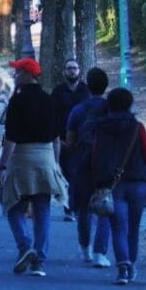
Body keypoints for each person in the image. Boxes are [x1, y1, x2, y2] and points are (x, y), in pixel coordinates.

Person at [0, 58, 68, 277]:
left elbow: (11, 138)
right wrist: (56, 164)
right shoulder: (49, 99)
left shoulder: (18, 101)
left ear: (27, 74)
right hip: (45, 158)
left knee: (14, 206)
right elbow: (56, 138)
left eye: (17, 72)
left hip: (22, 158)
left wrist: (2, 166)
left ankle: (26, 246)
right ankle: (39, 260)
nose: (15, 76)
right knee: (42, 208)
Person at [92, 87, 146, 285]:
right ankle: (132, 264)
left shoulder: (101, 127)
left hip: (112, 184)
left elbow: (96, 155)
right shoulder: (137, 127)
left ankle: (123, 267)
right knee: (133, 227)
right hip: (137, 181)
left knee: (118, 226)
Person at [65, 67, 112, 268]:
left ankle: (85, 247)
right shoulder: (111, 109)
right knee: (104, 207)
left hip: (82, 162)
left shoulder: (78, 110)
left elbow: (70, 139)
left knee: (84, 208)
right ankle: (101, 251)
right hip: (106, 163)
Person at [51, 59, 89, 221]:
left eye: (74, 68)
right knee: (66, 174)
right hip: (62, 141)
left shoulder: (86, 91)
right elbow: (51, 115)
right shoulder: (58, 92)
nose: (72, 71)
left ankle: (78, 206)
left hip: (83, 141)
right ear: (64, 72)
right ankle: (69, 207)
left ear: (79, 70)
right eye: (69, 68)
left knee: (79, 174)